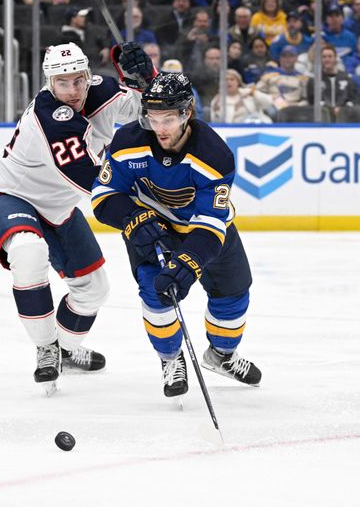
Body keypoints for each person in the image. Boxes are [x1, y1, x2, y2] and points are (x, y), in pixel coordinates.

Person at [0, 41, 157, 394]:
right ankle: (47, 348)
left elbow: (150, 113)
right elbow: (89, 178)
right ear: (49, 83)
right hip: (9, 194)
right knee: (28, 252)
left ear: (88, 75)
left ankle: (66, 349)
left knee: (94, 289)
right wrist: (139, 208)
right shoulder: (48, 119)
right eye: (62, 83)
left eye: (78, 80)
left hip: (58, 207)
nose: (72, 91)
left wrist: (146, 77)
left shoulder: (101, 90)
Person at [91, 71, 262, 399]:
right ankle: (170, 359)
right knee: (156, 295)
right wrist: (133, 219)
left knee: (234, 292)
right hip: (150, 227)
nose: (159, 128)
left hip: (204, 230)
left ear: (187, 114)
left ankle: (222, 355)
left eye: (167, 118)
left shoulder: (215, 156)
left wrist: (188, 263)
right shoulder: (128, 142)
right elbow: (103, 196)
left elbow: (211, 223)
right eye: (152, 117)